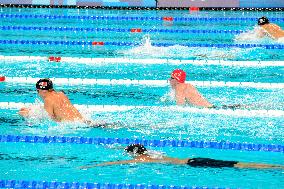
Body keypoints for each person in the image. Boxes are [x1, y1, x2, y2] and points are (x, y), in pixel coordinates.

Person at [81, 144, 283, 169]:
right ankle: (274, 167)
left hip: (195, 164)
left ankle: (275, 168)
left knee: (236, 166)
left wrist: (91, 166)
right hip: (193, 158)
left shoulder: (142, 159)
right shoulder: (153, 154)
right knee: (236, 164)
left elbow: (119, 162)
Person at [18, 78, 106, 127]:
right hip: (84, 122)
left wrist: (29, 114)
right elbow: (59, 111)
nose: (38, 93)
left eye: (38, 91)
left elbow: (48, 120)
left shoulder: (48, 100)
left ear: (41, 91)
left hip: (74, 127)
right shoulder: (61, 94)